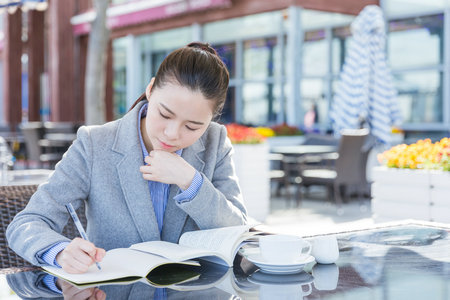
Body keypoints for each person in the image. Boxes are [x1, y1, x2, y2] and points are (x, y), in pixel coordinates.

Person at [7, 42, 248, 286]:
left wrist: (190, 181)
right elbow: (26, 224)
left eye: (192, 126)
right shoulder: (94, 144)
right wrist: (59, 251)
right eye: (164, 114)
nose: (172, 133)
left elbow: (237, 230)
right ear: (151, 89)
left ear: (211, 119)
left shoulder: (215, 142)